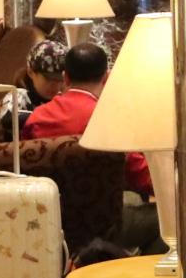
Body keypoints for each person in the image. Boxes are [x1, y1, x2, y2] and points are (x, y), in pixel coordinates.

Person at [23, 42, 165, 251]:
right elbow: (140, 174)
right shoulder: (107, 118)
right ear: (106, 78)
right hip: (105, 225)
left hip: (49, 222)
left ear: (66, 78)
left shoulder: (36, 118)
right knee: (168, 219)